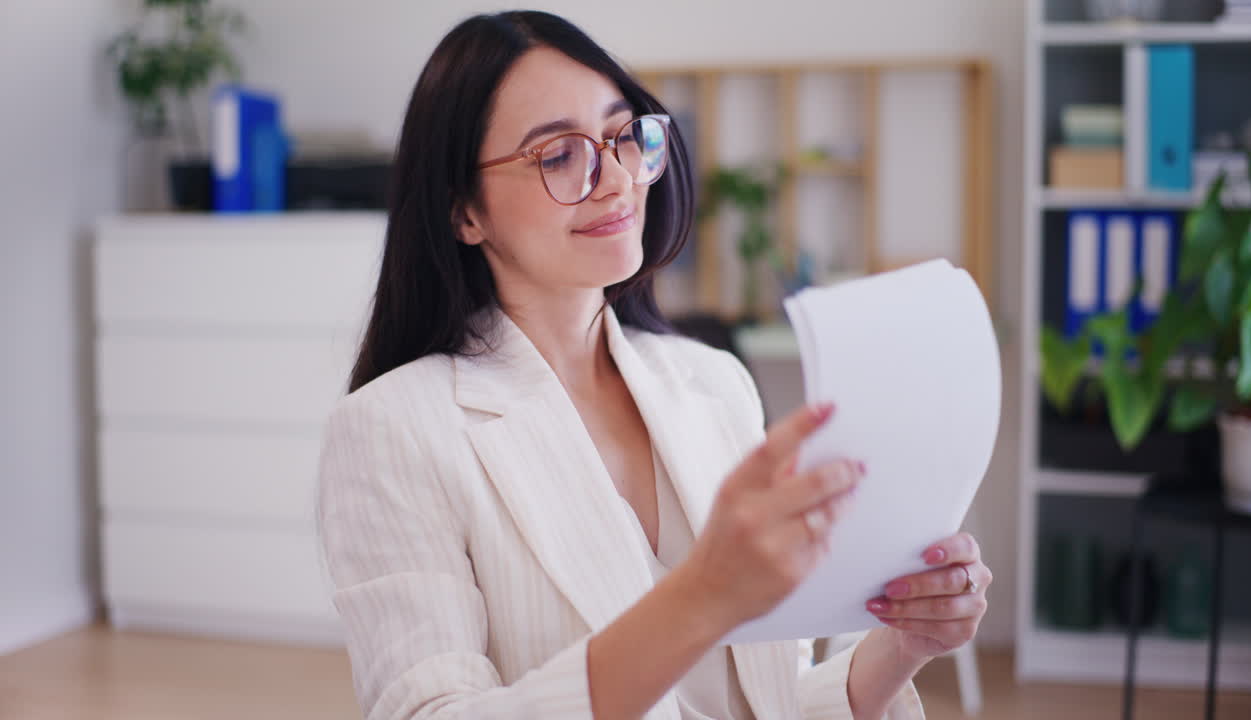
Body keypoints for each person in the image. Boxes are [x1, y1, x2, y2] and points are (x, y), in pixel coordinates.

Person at [315, 10, 991, 720]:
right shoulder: (393, 430)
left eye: (621, 136)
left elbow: (767, 701)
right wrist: (699, 596)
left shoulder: (713, 384)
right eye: (556, 155)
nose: (615, 180)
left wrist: (899, 644)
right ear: (464, 212)